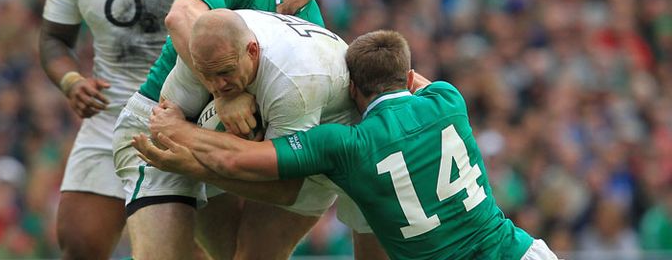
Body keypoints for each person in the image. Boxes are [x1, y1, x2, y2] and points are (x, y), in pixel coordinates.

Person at [134, 29, 562, 260]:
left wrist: (182, 132)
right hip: (522, 252)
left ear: (353, 90)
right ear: (409, 78)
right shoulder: (447, 99)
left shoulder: (346, 144)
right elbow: (419, 86)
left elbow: (238, 156)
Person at [112, 0, 373, 259]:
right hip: (157, 122)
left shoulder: (313, 24)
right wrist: (224, 94)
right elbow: (181, 17)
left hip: (215, 139)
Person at [38, 0, 225, 260]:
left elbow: (236, 39)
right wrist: (71, 82)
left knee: (186, 251)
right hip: (112, 114)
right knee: (80, 243)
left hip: (187, 117)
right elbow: (54, 40)